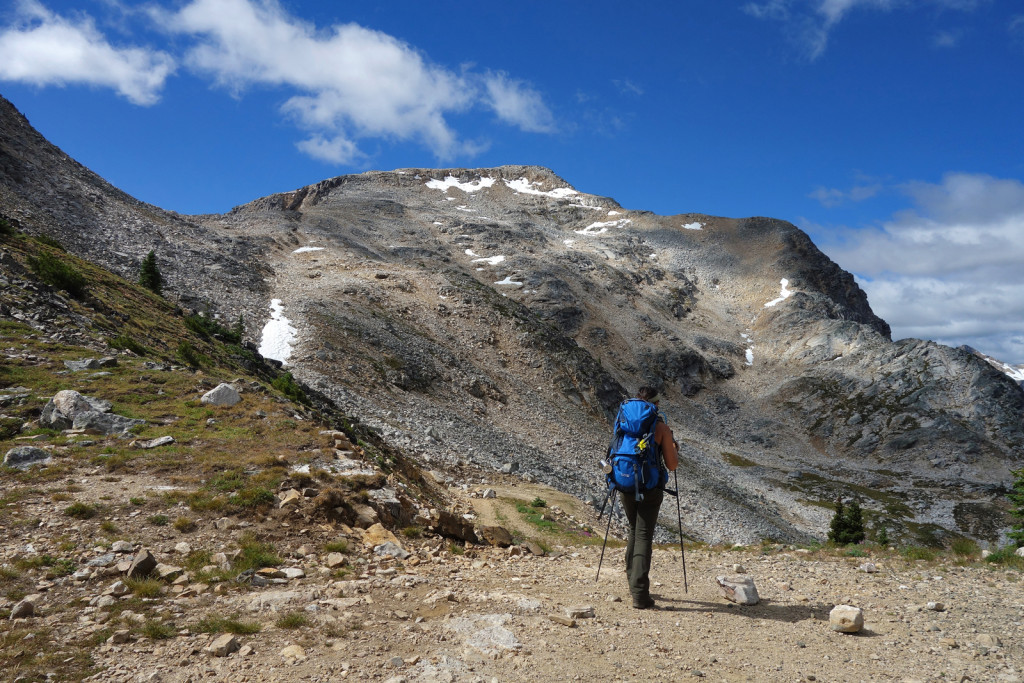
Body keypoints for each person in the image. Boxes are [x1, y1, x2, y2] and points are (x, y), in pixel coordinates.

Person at [619, 386, 678, 609]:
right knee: (644, 534)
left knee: (634, 529)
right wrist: (672, 446)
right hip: (649, 487)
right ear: (655, 404)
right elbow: (672, 465)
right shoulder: (661, 427)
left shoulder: (625, 421)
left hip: (624, 482)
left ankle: (632, 580)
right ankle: (640, 595)